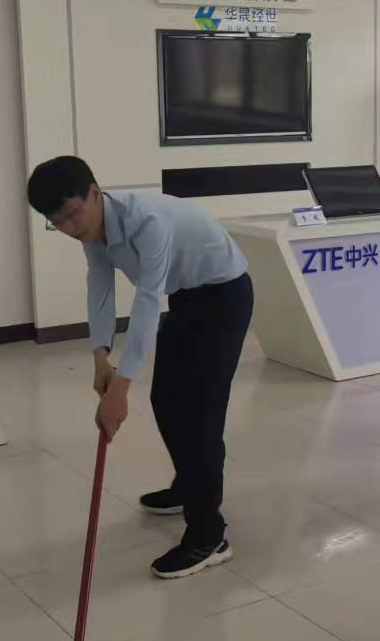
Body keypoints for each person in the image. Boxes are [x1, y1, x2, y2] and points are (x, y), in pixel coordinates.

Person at [26, 156, 254, 579]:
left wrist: (120, 388)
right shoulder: (93, 231)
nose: (71, 228)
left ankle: (209, 535)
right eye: (58, 223)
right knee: (166, 398)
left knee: (201, 414)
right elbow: (99, 285)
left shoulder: (146, 220)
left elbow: (148, 301)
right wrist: (100, 355)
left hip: (224, 295)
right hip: (187, 297)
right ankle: (189, 486)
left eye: (73, 214)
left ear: (95, 193)